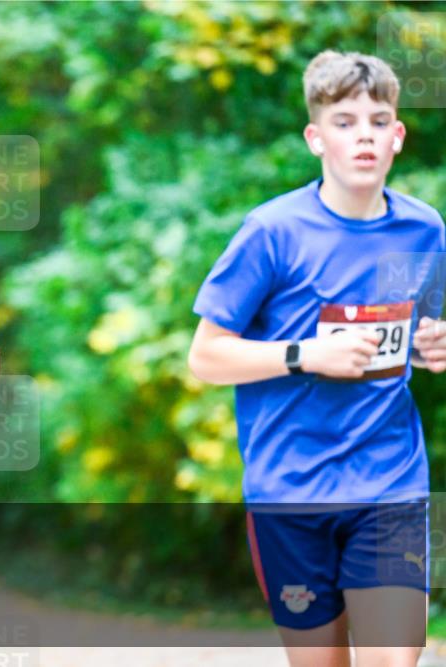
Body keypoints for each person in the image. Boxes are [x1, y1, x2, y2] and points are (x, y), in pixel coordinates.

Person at [188, 50, 445, 667]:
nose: (364, 136)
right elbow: (207, 357)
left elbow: (429, 328)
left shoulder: (424, 230)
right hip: (290, 489)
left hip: (390, 481)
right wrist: (310, 354)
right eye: (345, 121)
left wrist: (438, 344)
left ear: (398, 136)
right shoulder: (273, 231)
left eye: (379, 121)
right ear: (315, 138)